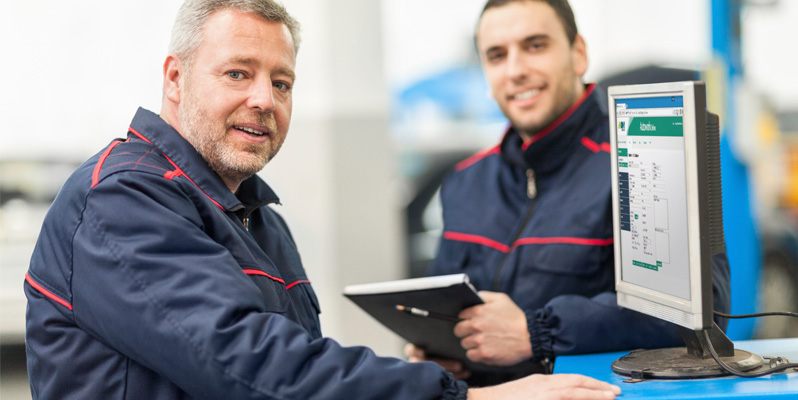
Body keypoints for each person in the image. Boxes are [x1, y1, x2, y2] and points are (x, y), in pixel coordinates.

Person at [23, 0, 621, 399]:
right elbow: (249, 363)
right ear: (175, 79)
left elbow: (300, 360)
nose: (264, 98)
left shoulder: (255, 215)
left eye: (281, 82)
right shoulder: (121, 200)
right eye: (237, 73)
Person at [407, 0, 731, 385]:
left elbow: (700, 313)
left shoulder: (641, 162)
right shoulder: (464, 181)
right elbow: (445, 308)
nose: (515, 70)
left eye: (535, 46)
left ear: (579, 54)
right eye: (497, 56)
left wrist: (538, 332)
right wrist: (442, 352)